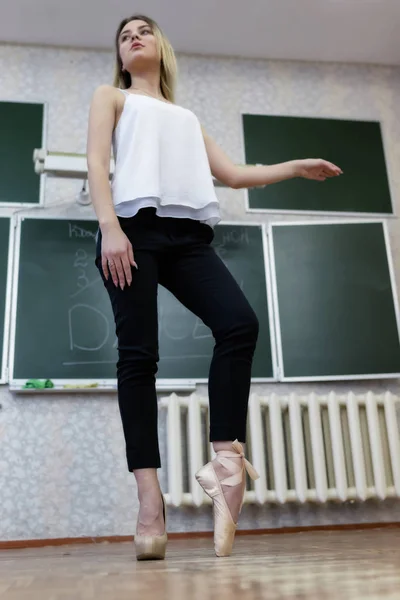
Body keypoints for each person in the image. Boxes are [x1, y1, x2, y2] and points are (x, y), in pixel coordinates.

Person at [87, 14, 342, 561]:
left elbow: (231, 174)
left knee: (239, 323)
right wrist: (110, 227)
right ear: (119, 54)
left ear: (162, 46)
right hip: (131, 229)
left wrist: (295, 167)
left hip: (187, 237)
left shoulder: (185, 117)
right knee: (139, 356)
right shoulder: (110, 97)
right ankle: (150, 501)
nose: (133, 36)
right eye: (124, 34)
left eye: (144, 30)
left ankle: (225, 464)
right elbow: (96, 162)